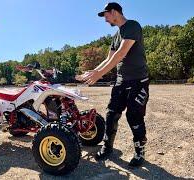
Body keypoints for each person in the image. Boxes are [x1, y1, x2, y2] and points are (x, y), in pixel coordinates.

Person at [76, 2, 150, 167]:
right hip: (121, 81)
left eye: (106, 15)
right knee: (111, 114)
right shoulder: (116, 35)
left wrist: (99, 75)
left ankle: (139, 152)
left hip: (139, 81)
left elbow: (121, 53)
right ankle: (107, 147)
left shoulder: (132, 26)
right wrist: (93, 72)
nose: (105, 19)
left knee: (134, 116)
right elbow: (109, 59)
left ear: (115, 12)